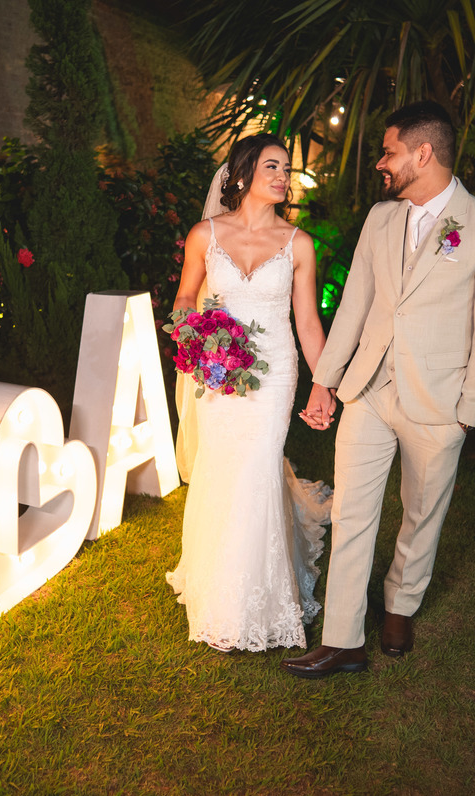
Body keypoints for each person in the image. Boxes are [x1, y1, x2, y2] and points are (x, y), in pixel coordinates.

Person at [282, 101, 475, 678]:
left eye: (389, 152)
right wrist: (328, 382)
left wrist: (468, 411)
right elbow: (356, 305)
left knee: (421, 514)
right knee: (354, 511)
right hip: (369, 389)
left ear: (423, 153)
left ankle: (400, 605)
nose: (380, 163)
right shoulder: (381, 218)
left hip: (438, 403)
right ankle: (342, 640)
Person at [166, 133, 331, 652]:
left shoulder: (298, 243)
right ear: (241, 175)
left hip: (274, 374)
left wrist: (322, 383)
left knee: (258, 468)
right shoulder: (204, 235)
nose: (284, 177)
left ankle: (259, 604)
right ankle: (217, 591)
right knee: (221, 471)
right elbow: (185, 299)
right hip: (217, 376)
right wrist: (201, 345)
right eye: (272, 167)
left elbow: (307, 321)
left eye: (287, 169)